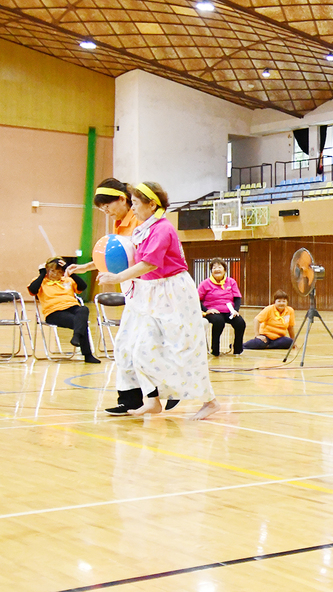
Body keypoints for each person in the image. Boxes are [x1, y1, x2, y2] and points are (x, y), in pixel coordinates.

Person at [98, 182, 219, 420]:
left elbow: (150, 263)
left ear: (151, 204)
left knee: (184, 349)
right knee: (140, 348)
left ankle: (210, 401)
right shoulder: (143, 228)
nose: (132, 208)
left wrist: (117, 277)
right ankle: (152, 400)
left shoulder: (164, 229)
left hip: (175, 291)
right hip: (151, 291)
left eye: (135, 203)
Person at [66, 179, 144, 411]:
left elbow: (144, 259)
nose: (106, 212)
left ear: (122, 199)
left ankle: (156, 394)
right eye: (102, 209)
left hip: (148, 291)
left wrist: (117, 277)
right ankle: (131, 399)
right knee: (125, 345)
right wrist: (85, 267)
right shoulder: (119, 225)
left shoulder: (140, 221)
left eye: (107, 206)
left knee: (137, 345)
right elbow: (113, 257)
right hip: (131, 291)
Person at [28, 257, 100, 364]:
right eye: (52, 271)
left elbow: (83, 286)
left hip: (72, 308)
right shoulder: (41, 282)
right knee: (81, 322)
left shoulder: (67, 280)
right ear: (47, 270)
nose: (55, 274)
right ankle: (87, 354)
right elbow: (33, 290)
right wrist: (42, 274)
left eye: (59, 272)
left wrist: (69, 271)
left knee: (83, 309)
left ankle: (76, 336)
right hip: (54, 312)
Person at [197, 259, 246, 357]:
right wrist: (207, 310)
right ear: (211, 271)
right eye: (214, 268)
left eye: (219, 267)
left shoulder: (231, 282)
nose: (217, 269)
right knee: (219, 322)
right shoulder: (205, 283)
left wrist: (236, 310)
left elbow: (237, 297)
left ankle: (237, 350)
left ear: (224, 270)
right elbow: (196, 299)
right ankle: (215, 350)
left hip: (229, 311)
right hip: (213, 311)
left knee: (240, 323)